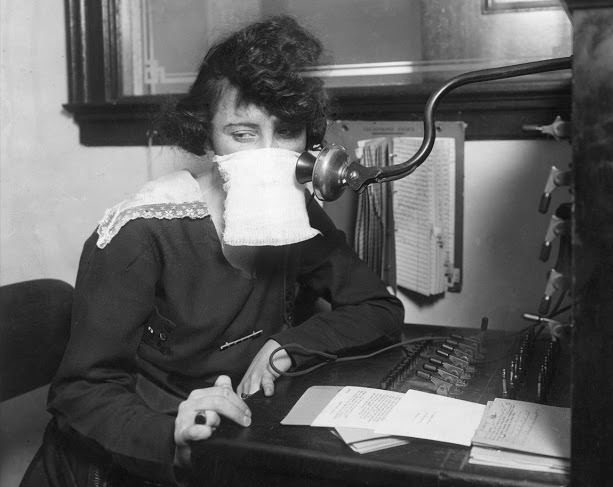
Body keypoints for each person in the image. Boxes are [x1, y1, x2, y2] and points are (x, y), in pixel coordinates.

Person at [23, 15, 403, 487]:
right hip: (126, 460)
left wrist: (290, 346)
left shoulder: (297, 214)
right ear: (206, 134)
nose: (268, 154)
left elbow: (377, 306)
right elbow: (81, 391)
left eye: (286, 132)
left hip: (229, 444)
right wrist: (171, 439)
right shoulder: (142, 231)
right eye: (242, 133)